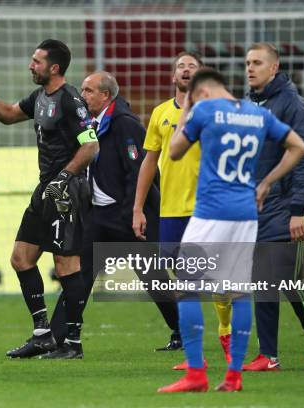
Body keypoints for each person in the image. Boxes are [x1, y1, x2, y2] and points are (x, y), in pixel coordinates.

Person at [158, 68, 304, 393]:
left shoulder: (204, 109)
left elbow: (173, 151)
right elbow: (299, 147)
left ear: (201, 92)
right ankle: (234, 377)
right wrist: (266, 182)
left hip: (211, 211)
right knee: (239, 291)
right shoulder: (258, 113)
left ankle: (196, 374)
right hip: (246, 214)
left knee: (186, 286)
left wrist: (186, 109)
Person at [0, 39, 98, 359]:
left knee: (66, 266)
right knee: (21, 258)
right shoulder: (40, 97)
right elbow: (9, 114)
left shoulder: (71, 99)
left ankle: (73, 344)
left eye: (36, 61)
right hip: (44, 188)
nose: (30, 65)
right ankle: (43, 335)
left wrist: (64, 178)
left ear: (54, 68)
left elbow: (90, 145)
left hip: (67, 189)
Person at [132, 51, 233, 365]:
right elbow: (149, 161)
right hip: (171, 209)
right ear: (173, 75)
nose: (186, 69)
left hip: (207, 207)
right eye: (181, 66)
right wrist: (138, 208)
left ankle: (225, 329)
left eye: (193, 66)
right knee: (181, 279)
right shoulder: (161, 113)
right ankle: (195, 352)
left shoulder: (215, 111)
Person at [69, 70, 178, 349]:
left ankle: (182, 332)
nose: (83, 95)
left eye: (88, 91)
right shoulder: (92, 123)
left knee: (153, 278)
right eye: (82, 90)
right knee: (81, 274)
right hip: (99, 214)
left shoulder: (125, 124)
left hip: (126, 215)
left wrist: (134, 212)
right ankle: (65, 337)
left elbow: (137, 173)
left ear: (106, 95)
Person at [242, 42, 304, 371]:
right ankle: (268, 355)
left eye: (257, 63)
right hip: (257, 206)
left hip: (287, 206)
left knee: (288, 279)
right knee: (262, 280)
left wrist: (298, 210)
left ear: (274, 68)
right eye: (248, 62)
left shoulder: (292, 103)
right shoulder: (250, 103)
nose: (250, 68)